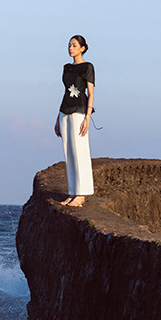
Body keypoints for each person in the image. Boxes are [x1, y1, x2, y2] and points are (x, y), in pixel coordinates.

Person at [54, 34, 95, 207]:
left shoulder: (88, 67)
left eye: (74, 45)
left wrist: (88, 117)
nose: (70, 48)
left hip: (80, 111)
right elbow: (65, 92)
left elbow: (91, 93)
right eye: (69, 45)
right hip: (65, 111)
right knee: (69, 153)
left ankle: (82, 194)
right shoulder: (66, 68)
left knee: (80, 151)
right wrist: (57, 117)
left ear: (82, 48)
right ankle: (73, 192)